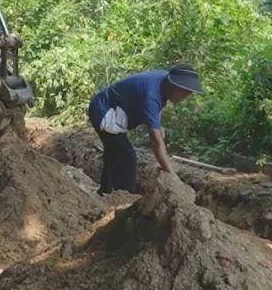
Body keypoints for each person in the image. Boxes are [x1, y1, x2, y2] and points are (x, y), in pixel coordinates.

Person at [87, 65, 203, 195]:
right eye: (183, 92)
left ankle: (105, 191)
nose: (184, 97)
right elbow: (156, 141)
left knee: (114, 152)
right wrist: (172, 175)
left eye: (188, 94)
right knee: (127, 157)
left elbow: (157, 109)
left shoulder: (163, 79)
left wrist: (158, 125)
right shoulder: (151, 95)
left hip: (112, 109)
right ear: (174, 85)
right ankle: (125, 198)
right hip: (105, 112)